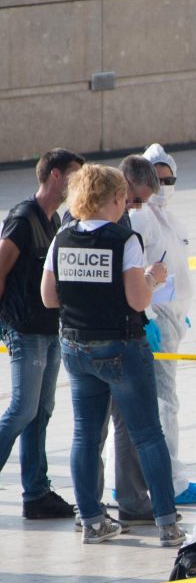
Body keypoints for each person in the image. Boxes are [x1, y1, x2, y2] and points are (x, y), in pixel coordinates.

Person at [40, 163, 185, 546]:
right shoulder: (125, 240)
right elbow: (138, 299)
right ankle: (167, 523)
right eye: (123, 198)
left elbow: (49, 297)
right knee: (147, 434)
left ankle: (91, 519)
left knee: (85, 436)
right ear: (114, 199)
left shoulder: (62, 237)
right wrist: (153, 276)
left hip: (75, 344)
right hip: (121, 345)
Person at [110, 148, 196, 518]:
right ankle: (169, 482)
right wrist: (148, 316)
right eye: (158, 179)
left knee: (153, 405)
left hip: (169, 318)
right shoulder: (139, 219)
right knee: (161, 405)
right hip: (152, 320)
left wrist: (179, 312)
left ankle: (141, 481)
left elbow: (175, 270)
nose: (164, 186)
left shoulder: (166, 218)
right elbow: (134, 272)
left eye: (169, 180)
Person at [0, 148, 84, 519]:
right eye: (74, 176)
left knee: (41, 412)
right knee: (23, 408)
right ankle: (34, 490)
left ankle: (36, 494)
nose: (77, 184)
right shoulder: (23, 218)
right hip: (24, 328)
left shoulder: (52, 222)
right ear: (54, 175)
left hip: (49, 329)